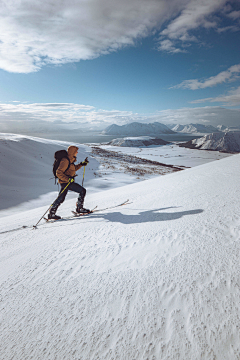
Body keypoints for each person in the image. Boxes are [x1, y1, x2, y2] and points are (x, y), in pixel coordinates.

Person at [48, 145, 89, 220]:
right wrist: (68, 179)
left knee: (61, 198)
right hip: (66, 182)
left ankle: (52, 213)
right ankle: (80, 208)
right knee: (82, 191)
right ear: (72, 152)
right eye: (76, 151)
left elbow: (72, 169)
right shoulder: (66, 160)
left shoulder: (70, 160)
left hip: (66, 182)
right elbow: (58, 173)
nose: (77, 152)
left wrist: (81, 164)